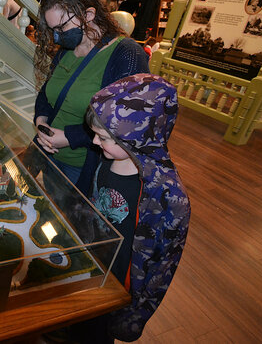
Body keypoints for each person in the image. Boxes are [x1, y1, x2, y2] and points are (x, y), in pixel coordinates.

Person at [74, 73, 191, 342]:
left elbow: (163, 264)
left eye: (103, 138)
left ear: (134, 138)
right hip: (94, 268)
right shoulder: (106, 160)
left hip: (119, 286)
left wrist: (136, 312)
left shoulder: (166, 195)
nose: (94, 143)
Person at [32, 0, 149, 196]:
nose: (57, 36)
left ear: (89, 15)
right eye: (53, 30)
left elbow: (124, 123)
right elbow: (47, 95)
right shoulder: (67, 50)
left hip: (84, 166)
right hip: (51, 156)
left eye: (62, 27)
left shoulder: (126, 54)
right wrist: (41, 122)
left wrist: (69, 137)